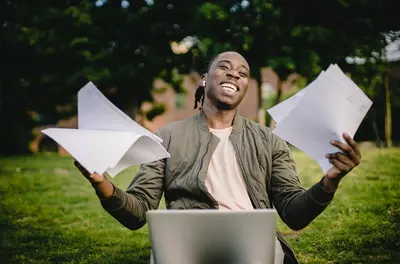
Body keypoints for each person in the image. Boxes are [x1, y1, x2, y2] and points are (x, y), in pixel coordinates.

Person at [74, 51, 362, 264]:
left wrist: (329, 182)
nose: (234, 73)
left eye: (243, 72)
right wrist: (101, 183)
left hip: (253, 251)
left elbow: (294, 213)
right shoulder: (167, 136)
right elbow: (137, 213)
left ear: (245, 86)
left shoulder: (269, 140)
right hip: (185, 249)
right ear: (204, 79)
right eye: (224, 67)